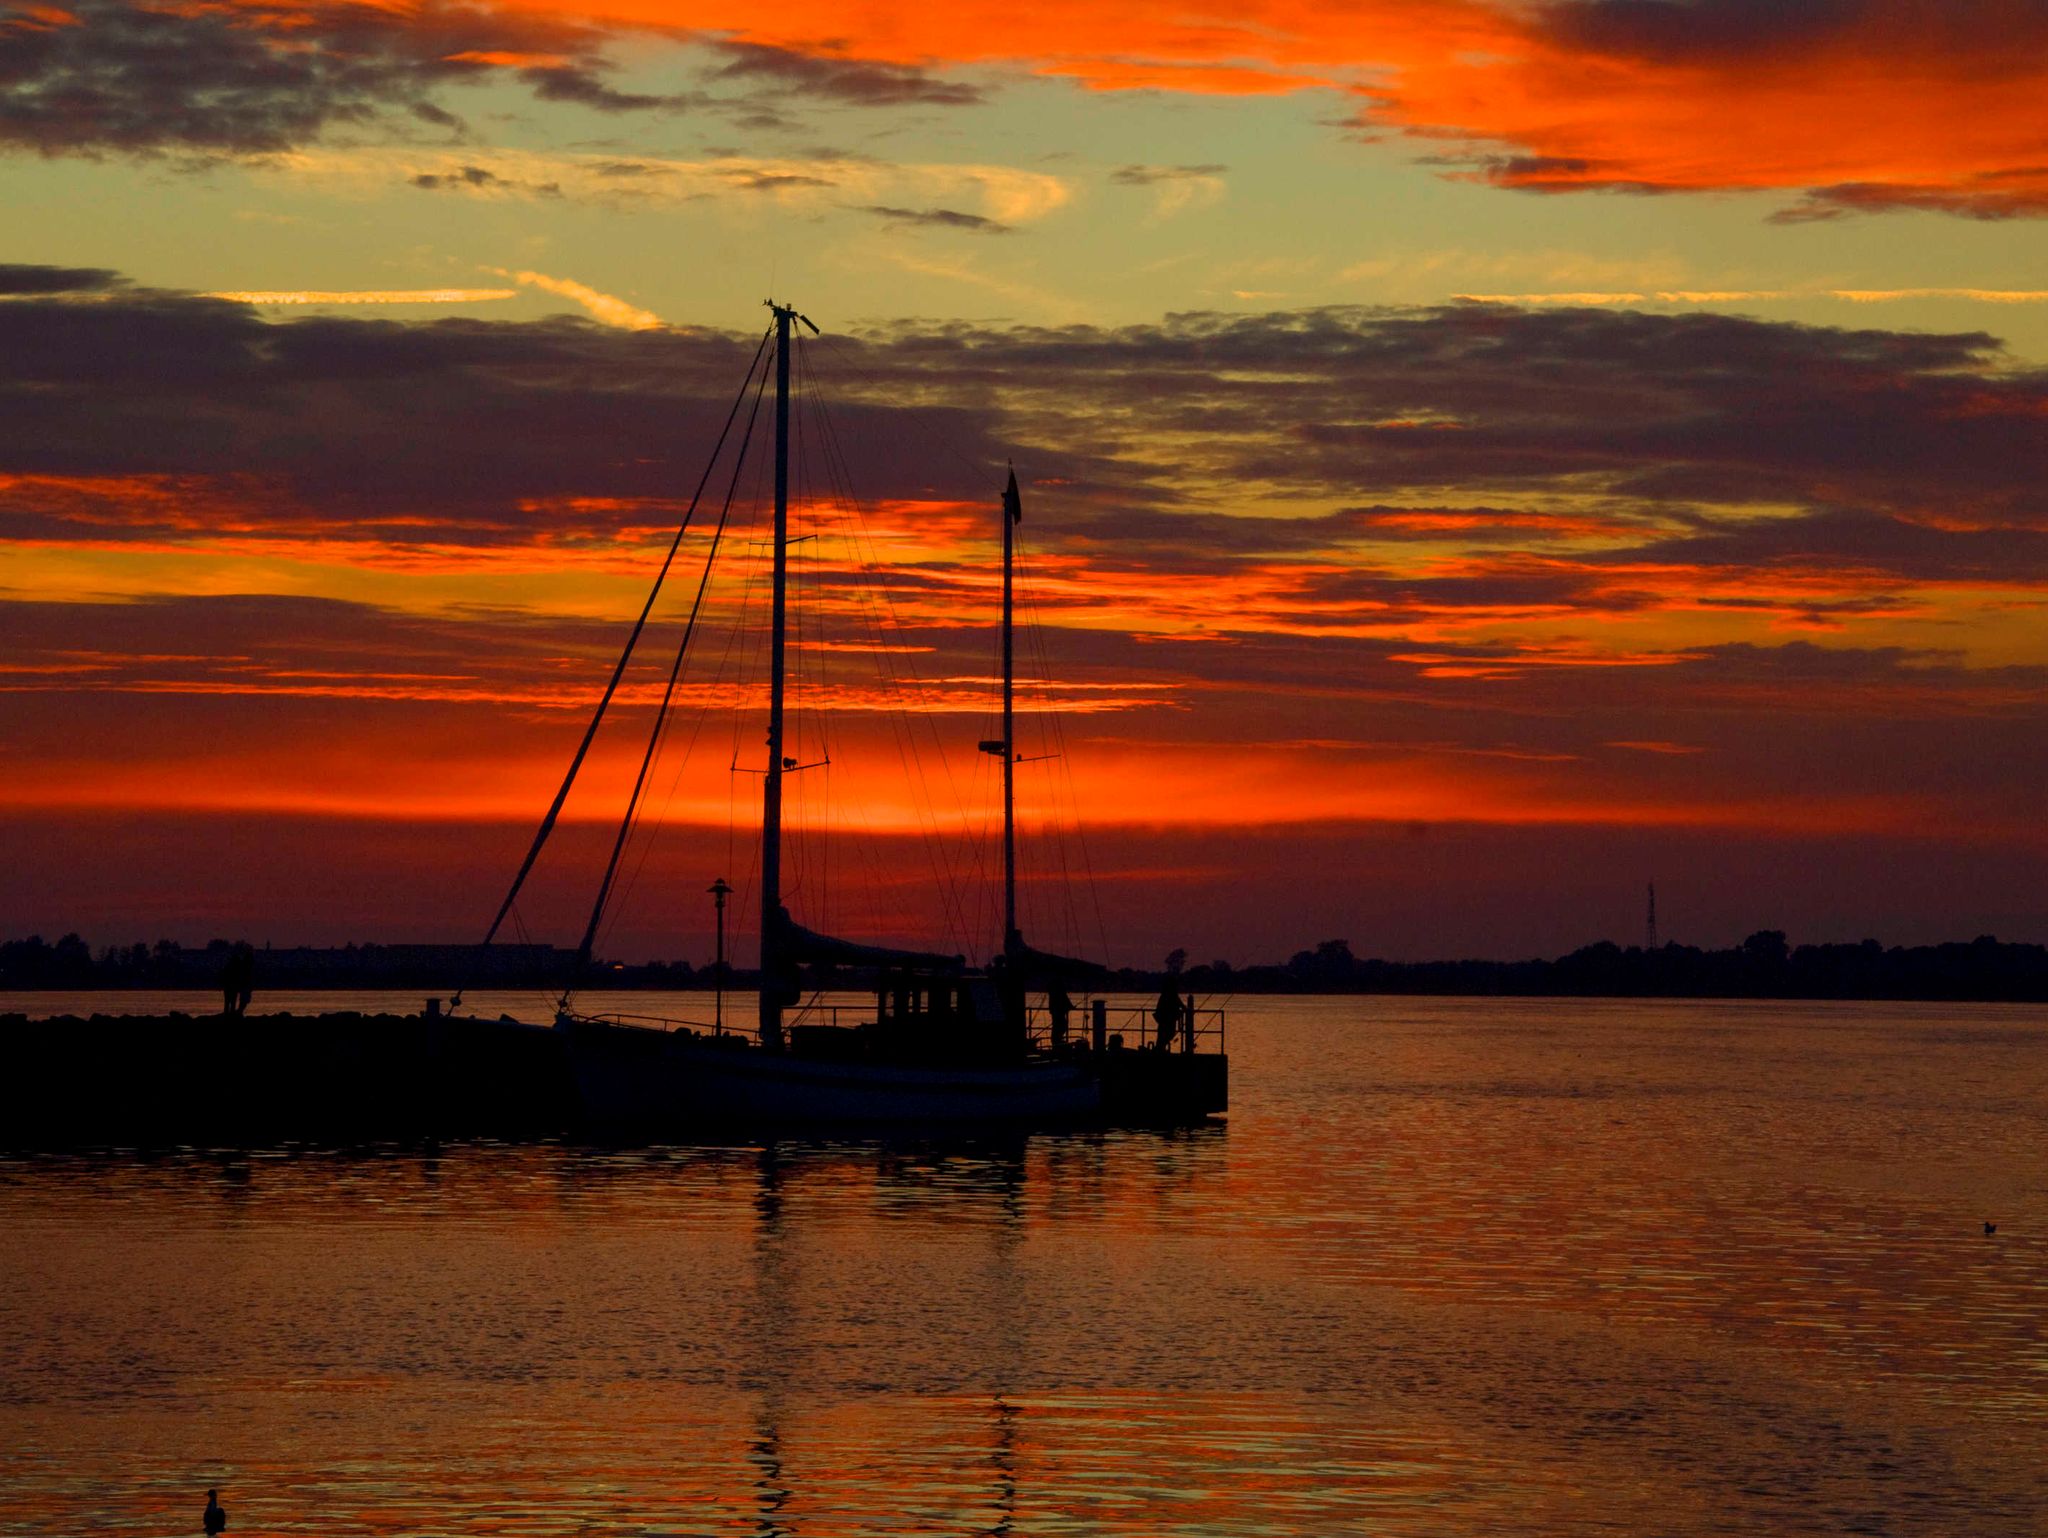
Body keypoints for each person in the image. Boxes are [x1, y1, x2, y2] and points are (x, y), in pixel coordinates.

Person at [1152, 982, 1180, 1053]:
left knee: (1162, 1037)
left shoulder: (1163, 996)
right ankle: (1160, 1050)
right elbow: (1180, 1004)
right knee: (1168, 1035)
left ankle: (1159, 1049)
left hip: (1162, 1021)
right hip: (1169, 1021)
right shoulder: (1173, 996)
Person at [1047, 986, 1074, 1051]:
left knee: (1057, 1028)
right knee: (1062, 1027)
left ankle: (1057, 1043)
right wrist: (1070, 1007)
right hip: (1060, 1013)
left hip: (1055, 1013)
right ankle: (1058, 1043)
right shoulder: (1060, 992)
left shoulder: (1052, 993)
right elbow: (1067, 1003)